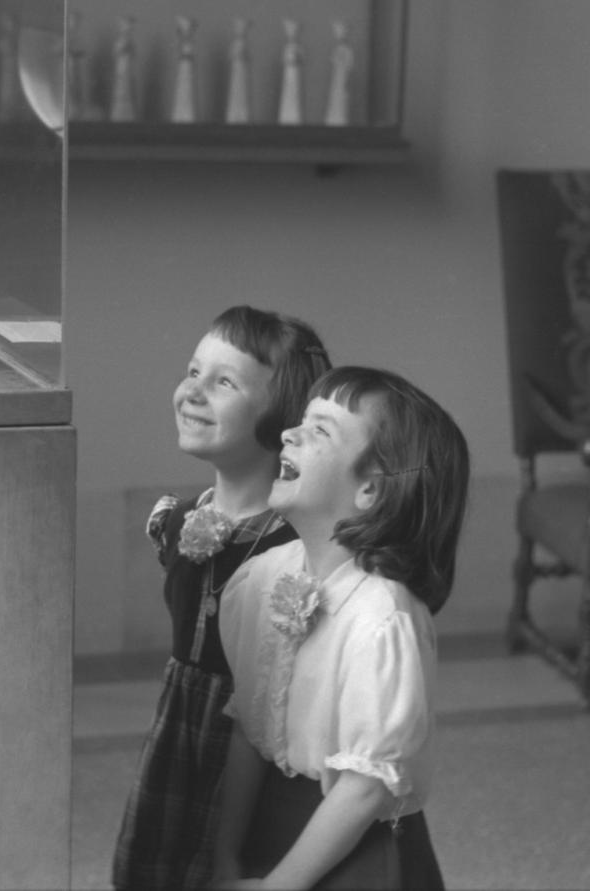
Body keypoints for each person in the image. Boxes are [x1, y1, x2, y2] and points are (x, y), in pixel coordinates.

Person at [213, 366, 470, 890]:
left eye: (320, 431)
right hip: (273, 824)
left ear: (370, 490)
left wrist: (278, 886)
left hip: (357, 849)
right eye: (301, 421)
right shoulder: (259, 579)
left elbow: (363, 790)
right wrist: (223, 855)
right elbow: (246, 733)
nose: (289, 434)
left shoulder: (382, 619)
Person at [113, 305, 332, 891]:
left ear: (281, 415)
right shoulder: (177, 520)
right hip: (183, 727)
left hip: (261, 747)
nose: (192, 391)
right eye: (192, 371)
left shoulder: (297, 545)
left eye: (224, 382)